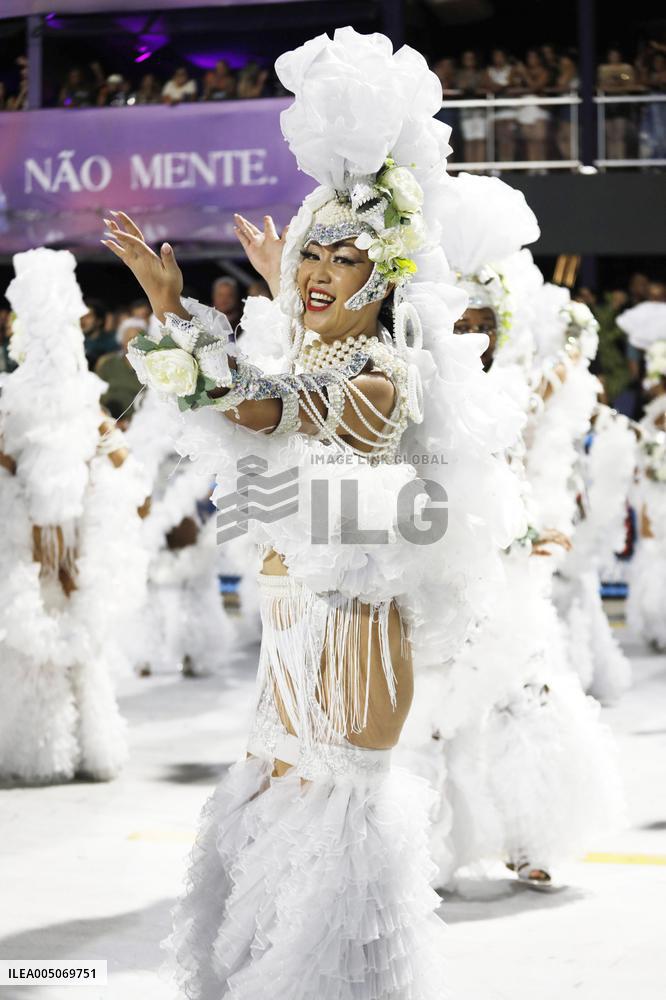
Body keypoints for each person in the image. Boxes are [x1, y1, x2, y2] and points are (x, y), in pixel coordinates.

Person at [101, 27, 525, 996]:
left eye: (346, 255)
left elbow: (265, 407)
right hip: (290, 630)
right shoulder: (321, 347)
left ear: (385, 282)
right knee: (275, 803)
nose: (323, 267)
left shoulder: (387, 371)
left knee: (341, 827)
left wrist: (172, 312)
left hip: (353, 634)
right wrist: (272, 298)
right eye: (312, 251)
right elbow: (280, 392)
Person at [597, 47, 641, 160]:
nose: (614, 57)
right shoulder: (603, 68)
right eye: (612, 55)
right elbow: (601, 84)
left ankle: (620, 161)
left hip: (621, 101)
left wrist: (620, 79)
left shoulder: (626, 68)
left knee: (620, 135)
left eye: (616, 55)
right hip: (607, 102)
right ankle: (611, 161)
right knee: (610, 135)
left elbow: (629, 81)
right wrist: (611, 84)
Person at [514, 48, 551, 164]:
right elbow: (514, 87)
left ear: (539, 59)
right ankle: (532, 166)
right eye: (529, 57)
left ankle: (542, 167)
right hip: (525, 106)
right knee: (529, 139)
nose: (531, 60)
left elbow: (536, 87)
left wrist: (525, 74)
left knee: (539, 138)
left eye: (533, 57)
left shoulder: (544, 72)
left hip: (539, 106)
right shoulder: (521, 72)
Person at [483, 48, 518, 162]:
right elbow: (487, 84)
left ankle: (509, 163)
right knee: (499, 139)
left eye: (500, 56)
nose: (498, 58)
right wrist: (501, 86)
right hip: (495, 110)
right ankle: (502, 163)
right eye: (496, 56)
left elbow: (510, 82)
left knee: (509, 138)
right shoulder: (489, 70)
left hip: (509, 109)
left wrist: (499, 87)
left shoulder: (511, 69)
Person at [455, 49, 487, 163]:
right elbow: (461, 85)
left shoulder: (482, 73)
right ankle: (470, 169)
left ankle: (479, 168)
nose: (469, 61)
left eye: (471, 58)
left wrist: (472, 87)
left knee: (480, 139)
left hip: (479, 109)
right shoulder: (459, 74)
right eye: (466, 58)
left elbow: (484, 86)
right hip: (466, 109)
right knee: (469, 139)